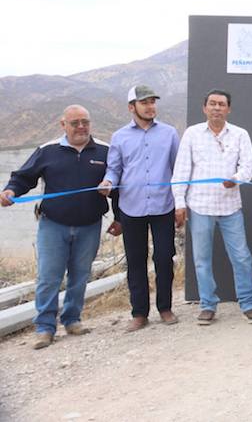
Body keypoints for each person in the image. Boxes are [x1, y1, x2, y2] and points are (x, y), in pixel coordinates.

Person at [1, 105, 121, 349]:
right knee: (48, 277)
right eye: (75, 122)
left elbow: (118, 186)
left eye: (85, 122)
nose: (81, 127)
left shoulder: (105, 151)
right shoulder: (47, 151)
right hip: (53, 225)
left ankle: (72, 320)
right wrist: (11, 191)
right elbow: (24, 177)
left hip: (90, 226)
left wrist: (119, 218)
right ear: (62, 124)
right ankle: (45, 328)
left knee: (80, 276)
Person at [172, 89, 252, 326]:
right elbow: (181, 171)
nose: (216, 108)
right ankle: (207, 305)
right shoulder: (192, 134)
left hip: (230, 206)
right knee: (202, 259)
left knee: (242, 257)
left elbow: (248, 168)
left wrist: (236, 179)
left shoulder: (240, 134)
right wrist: (179, 204)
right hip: (200, 205)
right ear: (204, 108)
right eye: (212, 103)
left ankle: (248, 303)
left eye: (221, 104)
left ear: (228, 109)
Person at [98, 85, 180, 332]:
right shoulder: (120, 136)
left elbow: (178, 169)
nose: (150, 106)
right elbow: (114, 169)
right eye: (145, 103)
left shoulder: (169, 133)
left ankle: (165, 308)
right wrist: (108, 181)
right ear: (131, 107)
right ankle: (139, 313)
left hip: (163, 205)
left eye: (153, 102)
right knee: (135, 261)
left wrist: (181, 204)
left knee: (164, 257)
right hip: (131, 208)